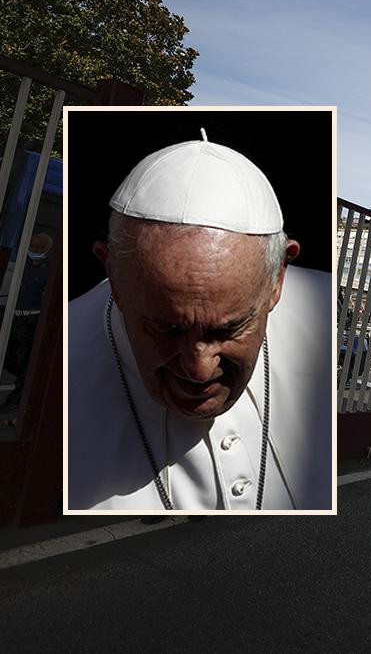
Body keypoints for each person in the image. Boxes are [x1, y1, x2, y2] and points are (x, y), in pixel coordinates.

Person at [68, 134, 332, 511]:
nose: (198, 369)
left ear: (277, 279)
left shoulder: (326, 312)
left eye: (227, 329)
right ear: (113, 273)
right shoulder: (56, 372)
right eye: (166, 328)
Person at [0, 232, 53, 423]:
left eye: (40, 248)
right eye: (34, 246)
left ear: (47, 250)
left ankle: (16, 400)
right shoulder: (23, 263)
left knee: (25, 362)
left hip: (32, 320)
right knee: (9, 356)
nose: (35, 251)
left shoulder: (50, 269)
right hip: (14, 316)